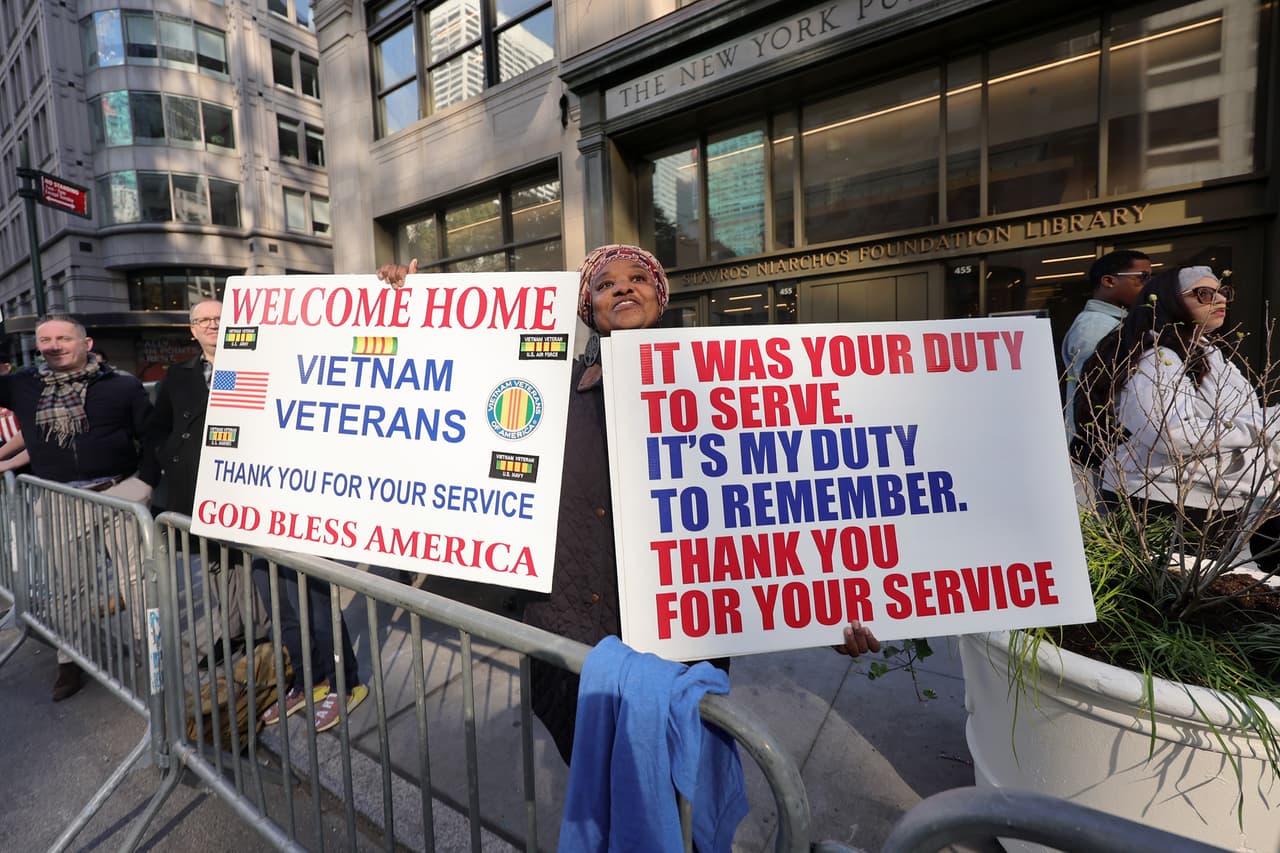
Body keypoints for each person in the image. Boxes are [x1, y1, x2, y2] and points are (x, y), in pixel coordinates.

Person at [378, 246, 880, 763]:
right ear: (587, 308)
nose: (622, 287)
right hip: (573, 645)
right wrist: (410, 308)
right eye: (605, 283)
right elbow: (448, 385)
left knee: (677, 799)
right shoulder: (548, 389)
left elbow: (775, 504)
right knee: (600, 789)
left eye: (637, 278)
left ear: (658, 301)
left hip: (678, 651)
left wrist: (828, 611)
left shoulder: (719, 395)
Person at [1082, 265, 1280, 571]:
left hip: (1210, 499)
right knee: (1165, 601)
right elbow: (1170, 433)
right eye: (1204, 293)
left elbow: (1243, 418)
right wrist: (1264, 426)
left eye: (1223, 292)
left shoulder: (1207, 353)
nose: (1220, 300)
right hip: (1163, 501)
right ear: (1170, 300)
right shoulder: (1157, 358)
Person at [0, 315, 152, 700]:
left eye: (63, 338)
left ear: (86, 342)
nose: (53, 345)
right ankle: (70, 661)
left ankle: (152, 656)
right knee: (69, 588)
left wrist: (143, 484)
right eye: (45, 339)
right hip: (56, 502)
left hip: (119, 495)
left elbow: (151, 437)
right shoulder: (23, 386)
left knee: (137, 583)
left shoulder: (122, 385)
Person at [139, 300, 263, 666]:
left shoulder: (257, 364)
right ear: (192, 330)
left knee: (255, 563)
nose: (212, 324)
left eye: (220, 318)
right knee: (216, 565)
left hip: (250, 484)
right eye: (203, 320)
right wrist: (169, 456)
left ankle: (265, 631)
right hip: (196, 486)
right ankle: (235, 631)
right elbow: (157, 427)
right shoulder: (177, 376)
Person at [1061, 250, 1152, 438]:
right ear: (1109, 281)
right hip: (1100, 448)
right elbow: (1091, 395)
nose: (1148, 285)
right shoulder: (1095, 327)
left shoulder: (1114, 322)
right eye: (1142, 277)